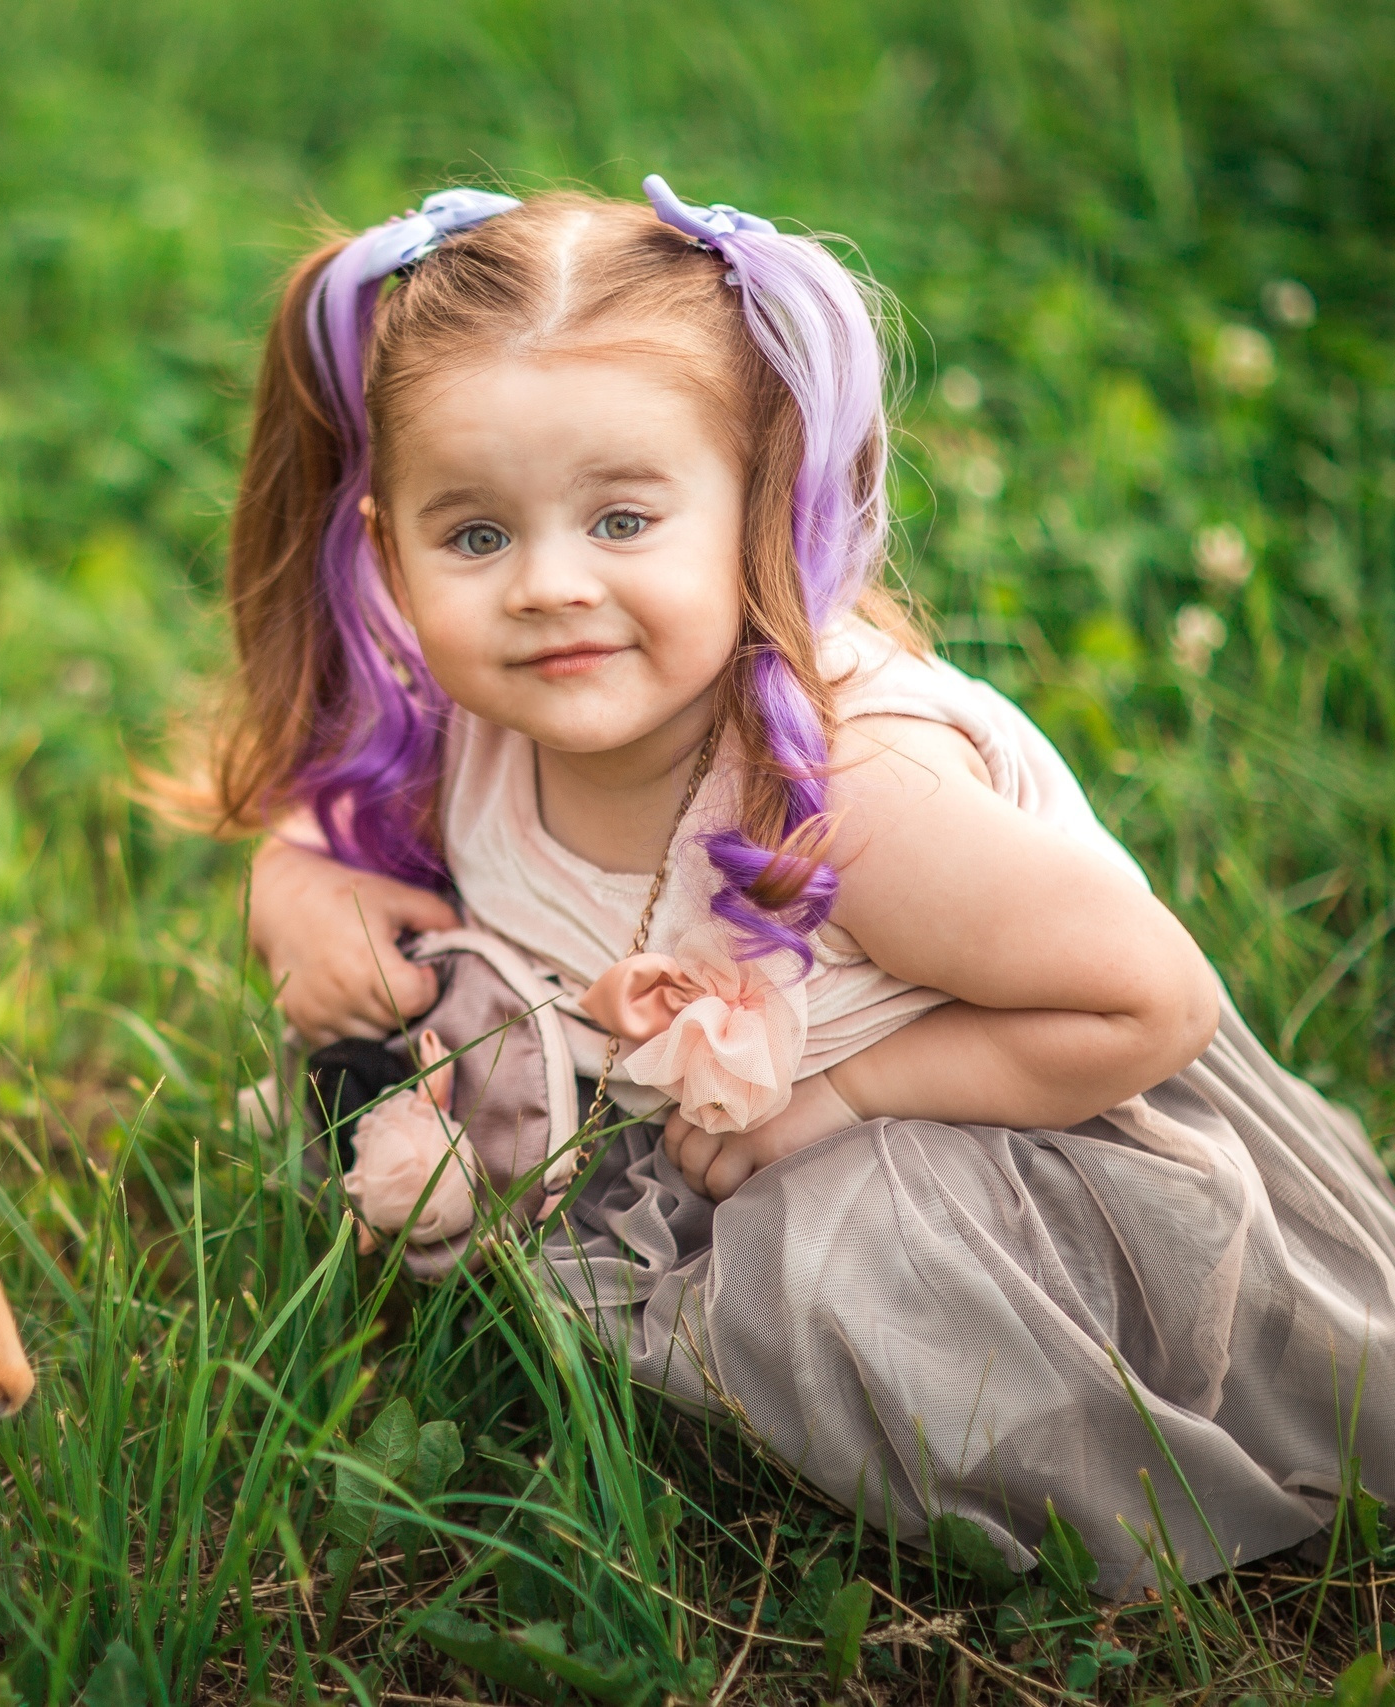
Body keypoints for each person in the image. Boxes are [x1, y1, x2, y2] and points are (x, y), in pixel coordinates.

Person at [214, 178, 1395, 1590]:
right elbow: (311, 845)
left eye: (623, 521)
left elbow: (1152, 1006)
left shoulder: (847, 802)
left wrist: (842, 1101)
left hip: (993, 1117)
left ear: (759, 510)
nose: (544, 586)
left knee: (860, 1280)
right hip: (699, 1115)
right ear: (388, 546)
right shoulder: (475, 719)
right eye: (475, 535)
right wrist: (301, 906)